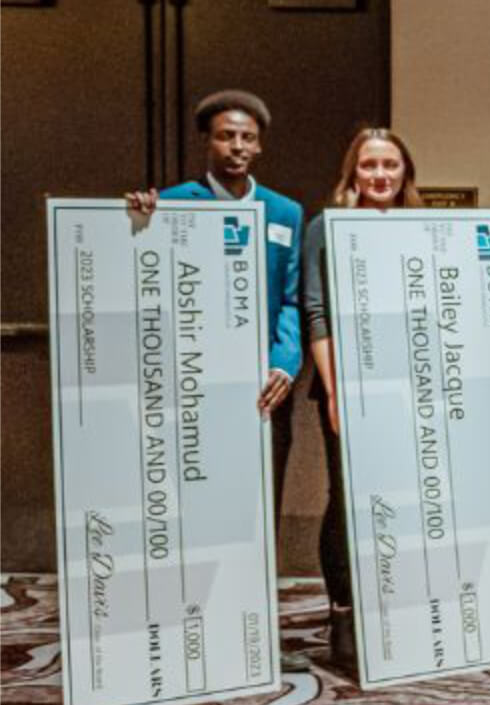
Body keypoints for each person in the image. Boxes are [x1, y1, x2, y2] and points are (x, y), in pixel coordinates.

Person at [125, 89, 309, 672]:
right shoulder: (170, 204)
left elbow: (291, 299)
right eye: (227, 135)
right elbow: (136, 275)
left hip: (261, 392)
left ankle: (252, 632)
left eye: (247, 137)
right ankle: (186, 627)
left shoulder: (285, 213)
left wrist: (285, 361)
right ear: (207, 141)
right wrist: (136, 224)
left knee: (256, 509)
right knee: (192, 510)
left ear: (260, 144)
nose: (237, 147)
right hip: (190, 391)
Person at [299, 127, 427, 670]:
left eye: (390, 166)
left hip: (410, 387)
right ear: (353, 173)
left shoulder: (423, 229)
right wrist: (334, 390)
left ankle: (397, 608)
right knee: (348, 501)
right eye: (369, 166)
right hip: (345, 385)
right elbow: (315, 310)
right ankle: (344, 613)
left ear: (405, 174)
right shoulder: (325, 228)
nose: (380, 176)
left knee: (406, 498)